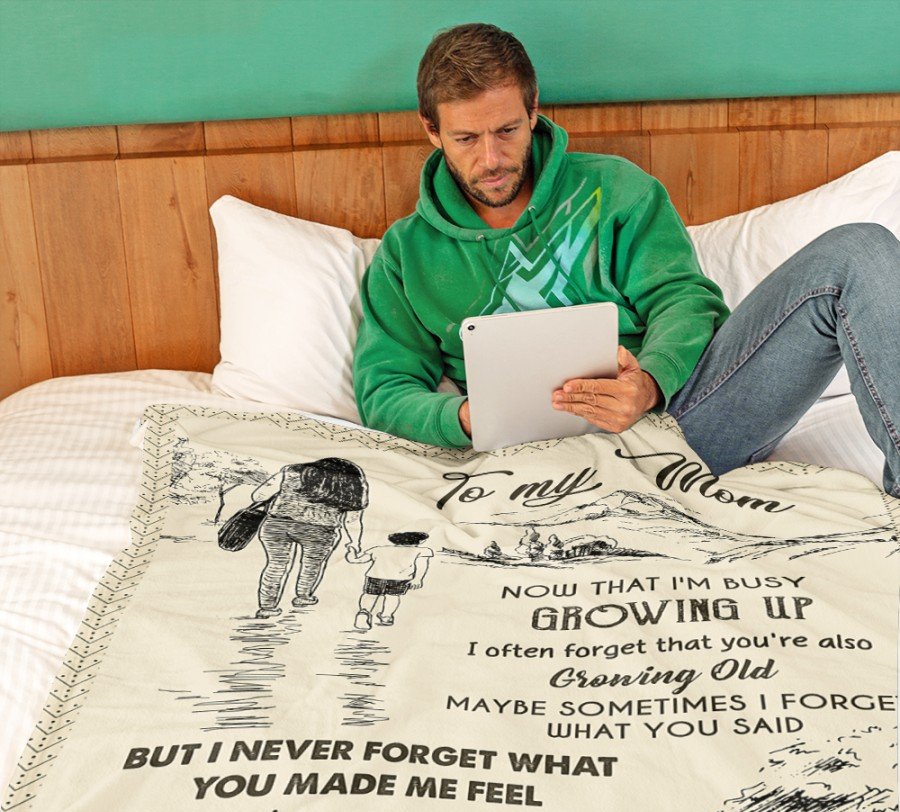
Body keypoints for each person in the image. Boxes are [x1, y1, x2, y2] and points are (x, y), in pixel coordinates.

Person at [352, 23, 900, 498]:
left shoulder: (618, 189)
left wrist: (650, 383)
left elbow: (685, 301)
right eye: (467, 138)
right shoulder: (405, 253)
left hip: (681, 427)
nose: (491, 158)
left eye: (507, 131)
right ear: (431, 130)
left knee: (859, 250)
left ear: (534, 109)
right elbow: (385, 388)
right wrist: (466, 419)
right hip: (527, 466)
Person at [250, 458, 368, 618]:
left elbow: (258, 496)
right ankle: (303, 596)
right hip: (321, 530)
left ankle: (267, 607)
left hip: (278, 524)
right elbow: (352, 520)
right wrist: (354, 542)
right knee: (312, 565)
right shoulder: (353, 484)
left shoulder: (290, 472)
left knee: (276, 565)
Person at [349, 531, 433, 631]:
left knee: (370, 595)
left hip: (375, 577)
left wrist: (351, 551)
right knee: (393, 597)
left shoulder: (378, 549)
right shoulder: (422, 551)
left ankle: (364, 612)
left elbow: (356, 560)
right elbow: (422, 566)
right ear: (421, 541)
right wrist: (418, 579)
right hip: (400, 579)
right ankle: (386, 616)